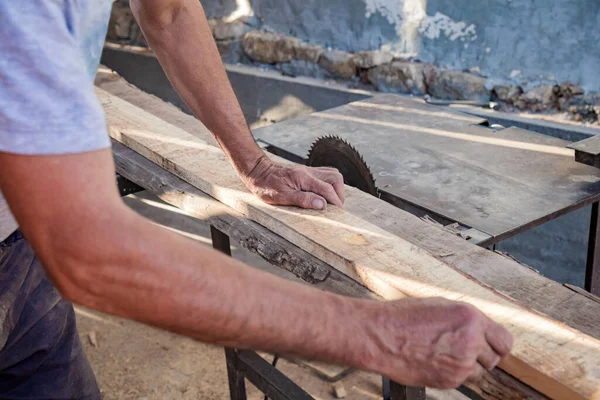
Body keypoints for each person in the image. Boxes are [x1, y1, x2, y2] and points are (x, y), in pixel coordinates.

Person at [0, 0, 513, 397]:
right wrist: (382, 336)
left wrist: (254, 160)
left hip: (21, 245)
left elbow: (171, 13)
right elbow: (88, 251)